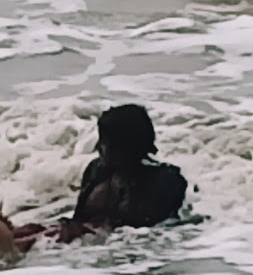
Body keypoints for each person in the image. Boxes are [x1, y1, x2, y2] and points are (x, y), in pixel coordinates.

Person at [0, 104, 187, 260]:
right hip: (84, 240)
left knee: (21, 246)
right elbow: (78, 218)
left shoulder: (165, 180)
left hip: (113, 248)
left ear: (125, 144)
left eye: (105, 141)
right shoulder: (97, 170)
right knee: (29, 232)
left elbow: (148, 231)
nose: (98, 147)